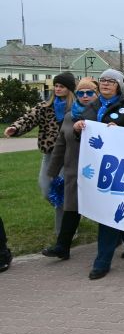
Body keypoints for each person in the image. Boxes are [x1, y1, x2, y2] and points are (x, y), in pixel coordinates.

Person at [74, 69, 124, 280]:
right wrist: (78, 128)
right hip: (96, 168)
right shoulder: (91, 107)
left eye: (110, 81)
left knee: (107, 212)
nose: (105, 84)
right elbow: (81, 136)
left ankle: (102, 262)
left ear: (119, 86)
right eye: (103, 81)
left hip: (120, 168)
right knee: (108, 209)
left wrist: (121, 132)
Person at [4, 71, 76, 239]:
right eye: (56, 86)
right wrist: (15, 128)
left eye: (62, 87)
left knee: (61, 191)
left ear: (69, 89)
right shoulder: (44, 107)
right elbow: (28, 118)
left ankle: (64, 234)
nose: (57, 89)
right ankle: (72, 212)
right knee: (46, 190)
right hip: (50, 155)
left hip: (70, 156)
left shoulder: (76, 108)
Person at [42, 77, 99, 260]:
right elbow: (60, 145)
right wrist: (52, 172)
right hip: (74, 170)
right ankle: (62, 247)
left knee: (103, 207)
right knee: (71, 207)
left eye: (89, 92)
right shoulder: (69, 116)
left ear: (96, 94)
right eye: (81, 93)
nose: (85, 96)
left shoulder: (103, 115)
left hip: (99, 171)